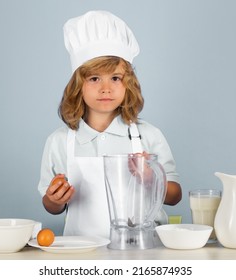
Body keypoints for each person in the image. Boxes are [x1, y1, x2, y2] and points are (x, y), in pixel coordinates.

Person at [38, 10, 182, 238]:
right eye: (94, 78)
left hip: (143, 250)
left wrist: (150, 178)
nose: (106, 88)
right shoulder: (59, 142)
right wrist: (55, 198)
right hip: (82, 251)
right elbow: (51, 206)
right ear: (77, 85)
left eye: (115, 78)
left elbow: (175, 196)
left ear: (128, 84)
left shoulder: (149, 136)